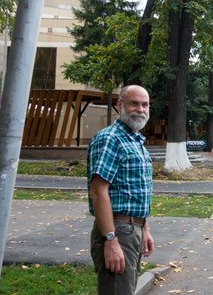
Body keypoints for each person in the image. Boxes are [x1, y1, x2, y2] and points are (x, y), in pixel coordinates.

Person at [87, 85, 154, 295]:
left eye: (145, 105)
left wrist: (145, 228)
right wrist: (110, 240)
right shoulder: (110, 139)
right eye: (134, 103)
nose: (140, 109)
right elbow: (98, 191)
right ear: (120, 105)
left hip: (132, 230)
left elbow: (135, 191)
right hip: (117, 232)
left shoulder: (136, 142)